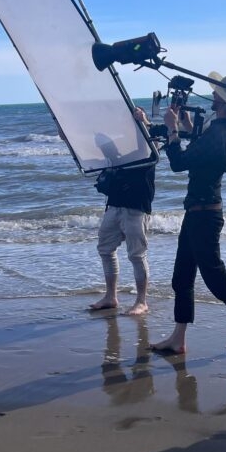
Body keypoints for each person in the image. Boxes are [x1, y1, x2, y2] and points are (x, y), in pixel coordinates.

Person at [151, 73, 226, 354]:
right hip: (199, 212)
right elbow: (201, 153)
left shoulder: (220, 133)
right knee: (182, 276)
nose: (212, 95)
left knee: (214, 276)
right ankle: (178, 338)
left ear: (224, 101)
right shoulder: (223, 129)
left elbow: (179, 163)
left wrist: (172, 130)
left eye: (217, 94)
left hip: (205, 215)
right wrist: (188, 127)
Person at [90, 107, 156, 316]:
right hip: (115, 204)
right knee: (105, 248)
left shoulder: (144, 149)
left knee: (137, 255)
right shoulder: (117, 153)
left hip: (136, 207)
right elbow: (98, 144)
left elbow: (149, 146)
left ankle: (141, 301)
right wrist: (69, 136)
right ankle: (111, 296)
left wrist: (144, 123)